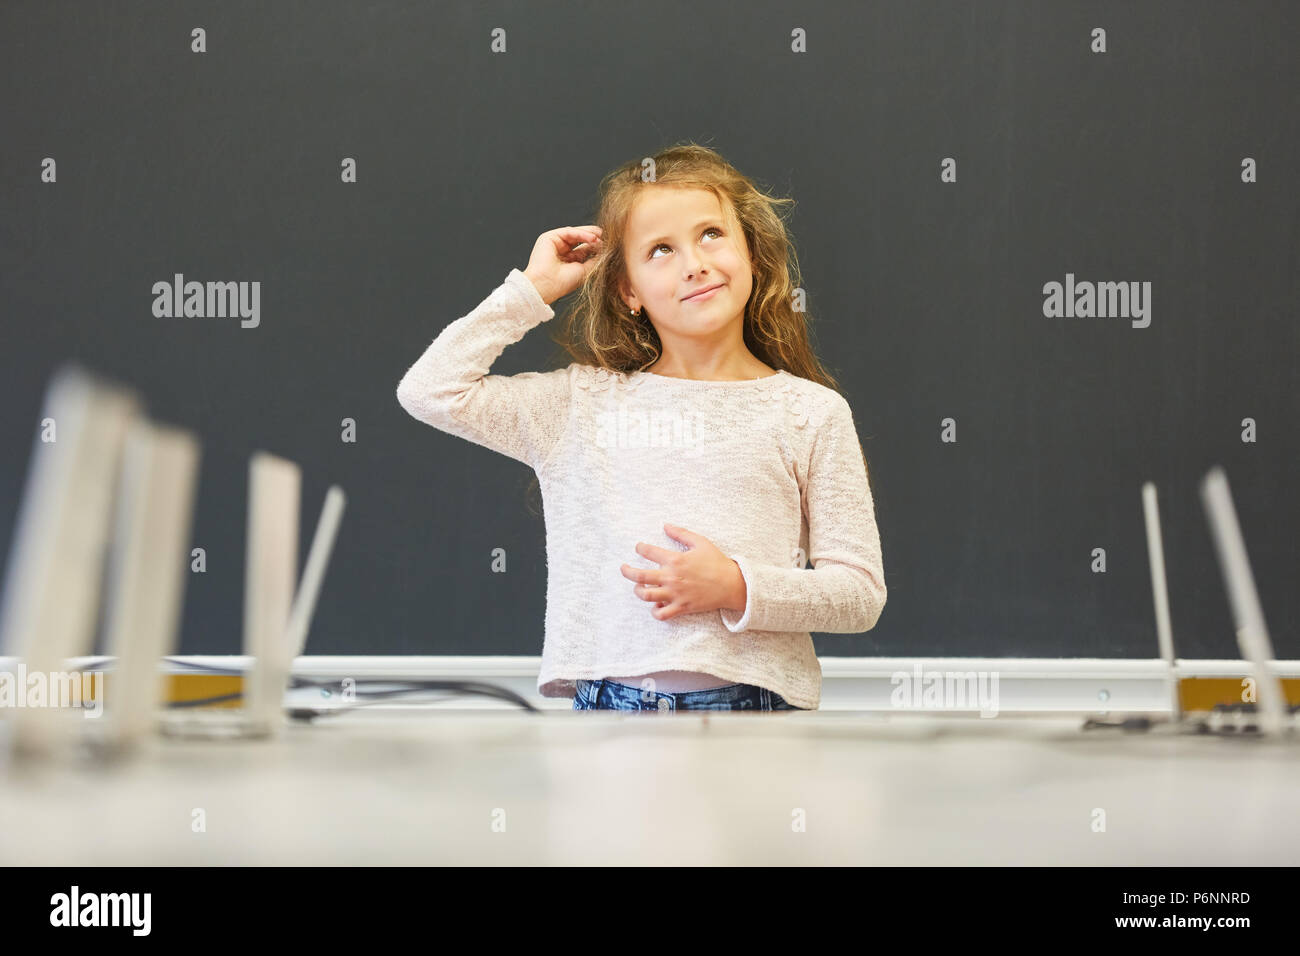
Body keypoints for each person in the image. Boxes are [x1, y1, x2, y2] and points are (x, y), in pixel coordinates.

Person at [396, 143, 886, 712]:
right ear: (628, 291)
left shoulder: (811, 413)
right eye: (660, 250)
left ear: (749, 252)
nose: (694, 263)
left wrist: (736, 585)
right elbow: (430, 391)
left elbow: (858, 595)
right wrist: (531, 290)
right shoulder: (582, 404)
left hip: (760, 710)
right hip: (610, 711)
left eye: (711, 234)